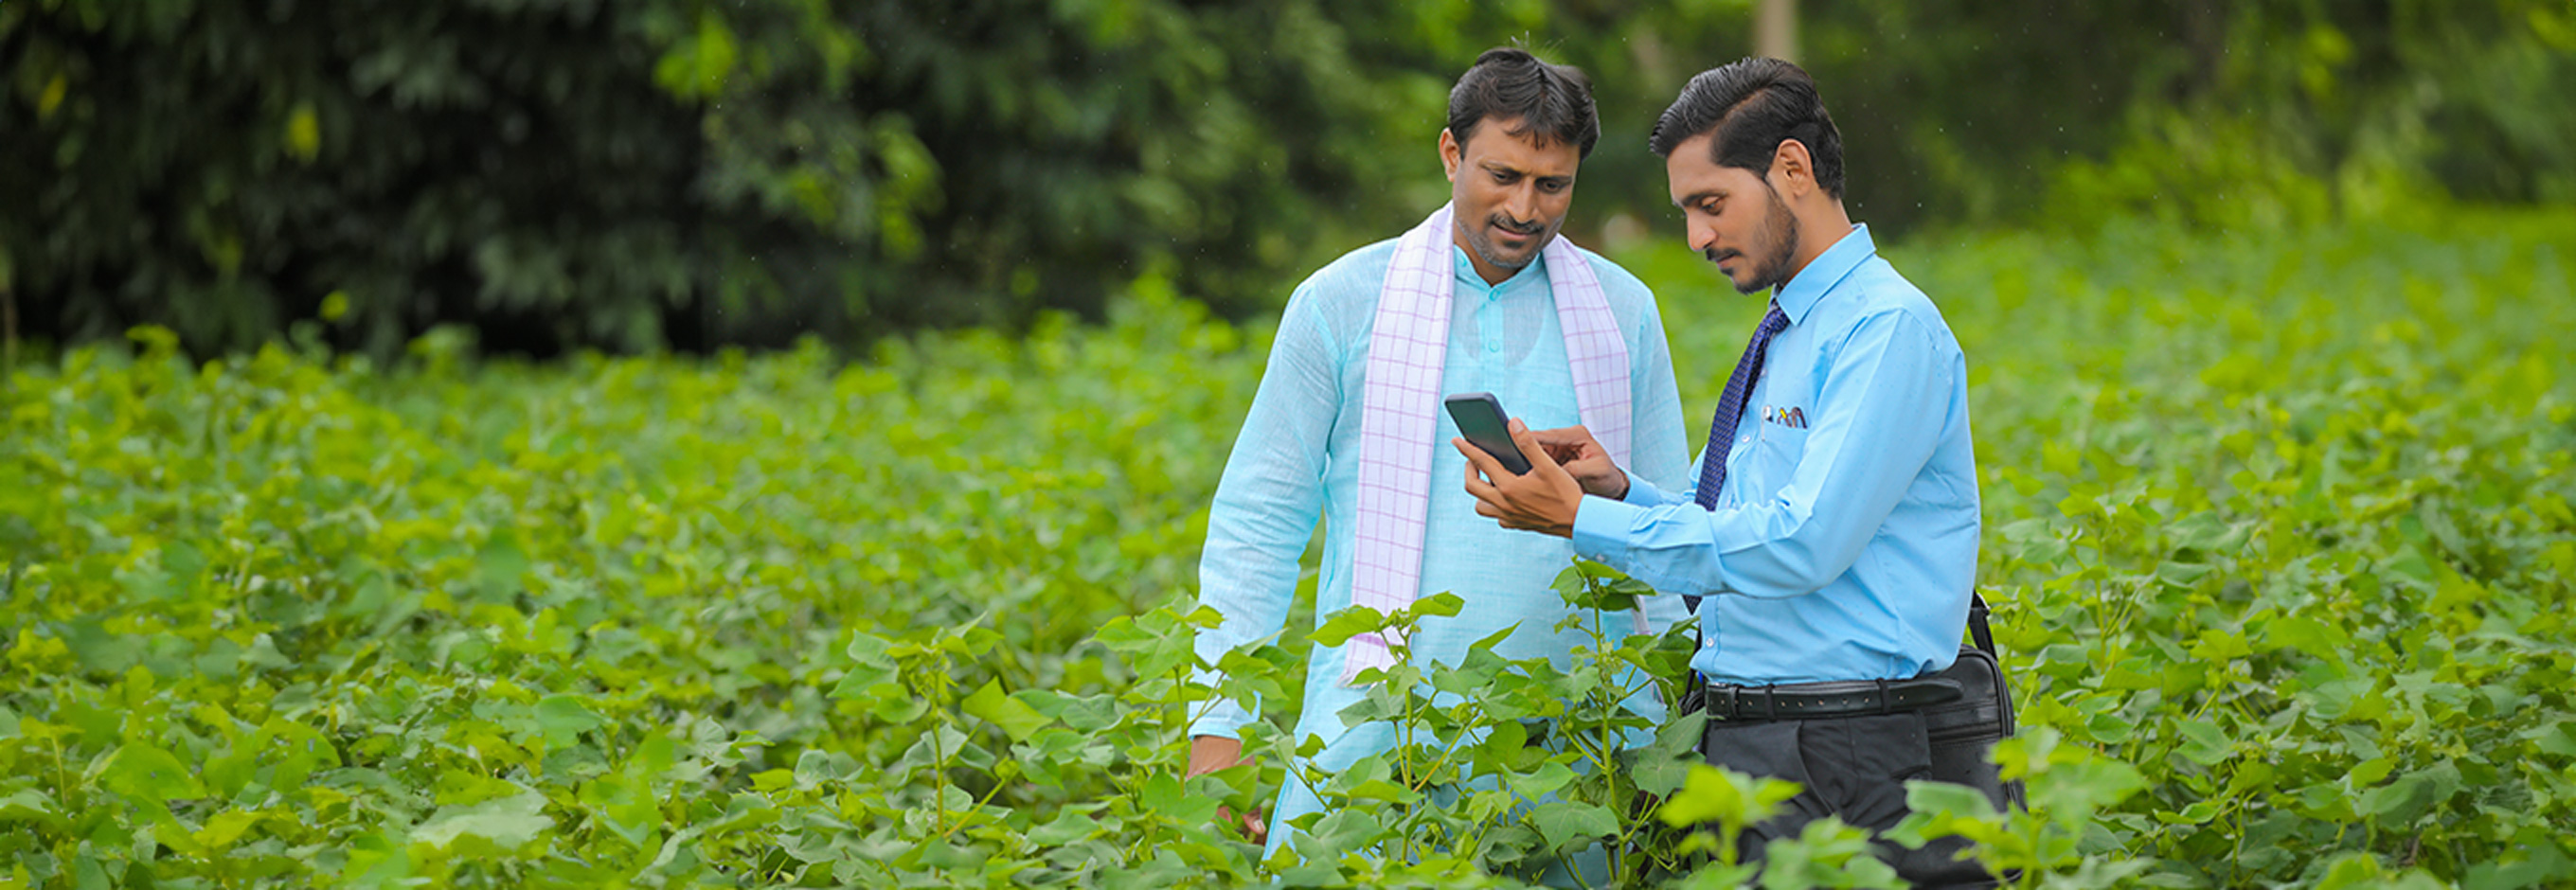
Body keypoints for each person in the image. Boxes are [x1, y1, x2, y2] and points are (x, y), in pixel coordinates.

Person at [1457, 57, 1992, 886]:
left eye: (1711, 205)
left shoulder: (1885, 330)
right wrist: (1619, 491)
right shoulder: (1789, 331)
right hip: (1753, 741)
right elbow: (1733, 521)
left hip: (1851, 748)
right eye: (1687, 212)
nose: (1698, 238)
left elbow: (1802, 544)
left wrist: (1579, 520)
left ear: (1792, 169)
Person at [1182, 46, 1692, 861]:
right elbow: (1259, 518)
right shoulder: (1340, 303)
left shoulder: (1622, 311)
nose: (1525, 209)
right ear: (1451, 153)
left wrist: (1684, 722)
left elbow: (1674, 523)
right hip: (1379, 723)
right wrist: (1219, 729)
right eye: (1501, 176)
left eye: (1551, 185)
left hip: (1591, 737)